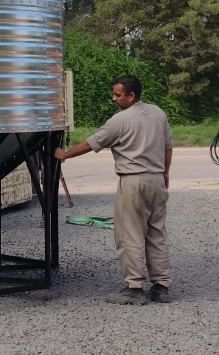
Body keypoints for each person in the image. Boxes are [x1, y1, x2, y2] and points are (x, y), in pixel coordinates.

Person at [54, 75, 174, 305]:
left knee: (129, 234)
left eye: (118, 95)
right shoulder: (158, 113)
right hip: (157, 179)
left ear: (131, 95)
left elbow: (91, 143)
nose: (114, 98)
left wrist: (64, 154)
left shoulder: (119, 121)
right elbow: (168, 146)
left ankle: (134, 288)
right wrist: (166, 173)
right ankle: (161, 286)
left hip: (132, 181)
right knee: (157, 233)